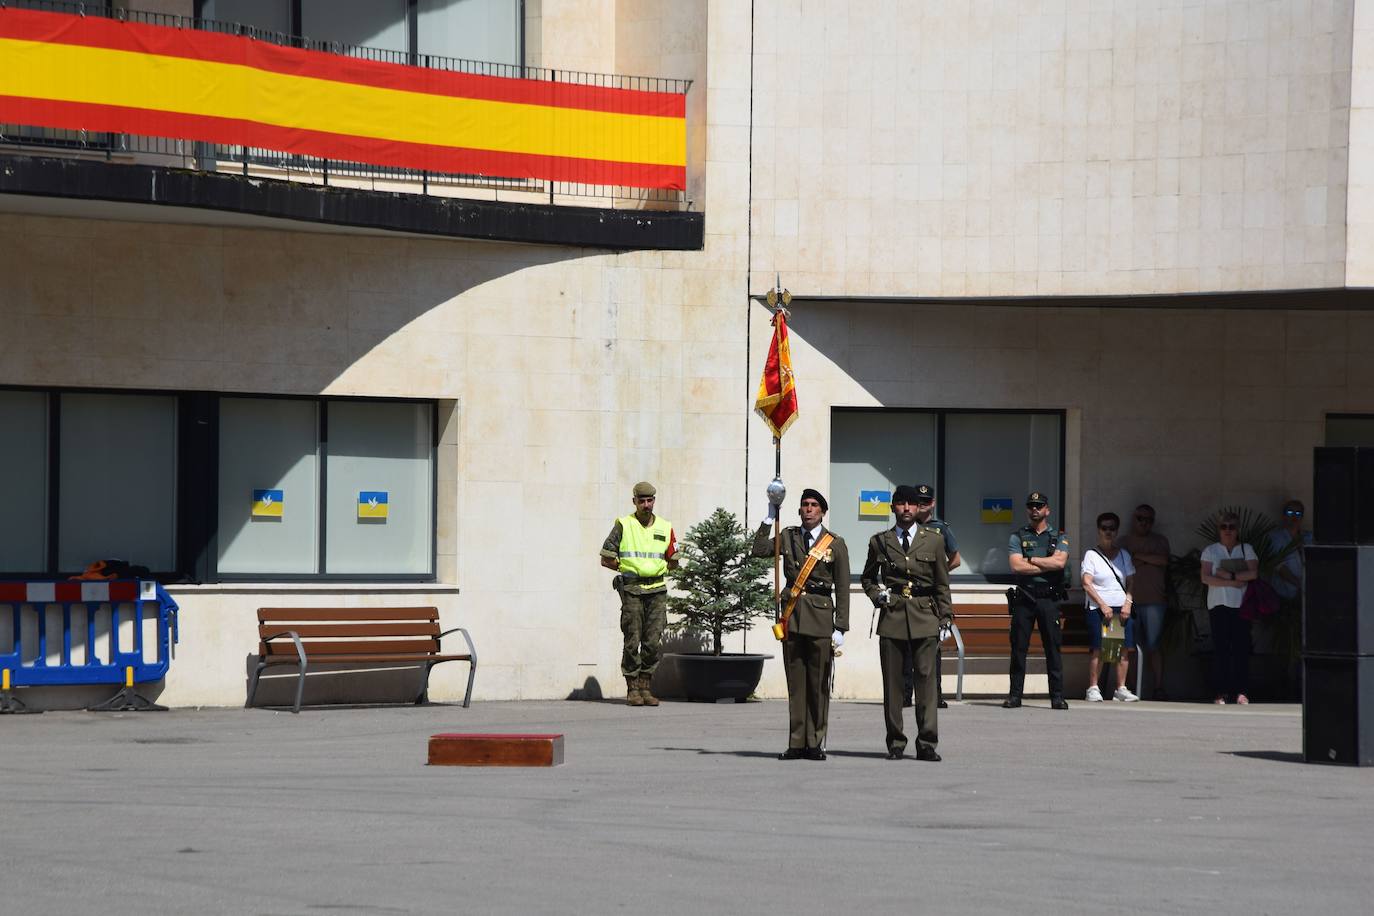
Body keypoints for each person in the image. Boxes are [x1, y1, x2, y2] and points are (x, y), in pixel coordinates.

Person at [752, 487, 849, 761]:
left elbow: (842, 587)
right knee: (796, 684)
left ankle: (815, 742)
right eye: (805, 505)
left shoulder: (834, 543)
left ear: (822, 512)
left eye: (814, 505)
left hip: (820, 618)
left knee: (818, 684)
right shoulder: (788, 535)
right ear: (798, 510)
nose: (808, 509)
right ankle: (796, 742)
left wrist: (840, 627)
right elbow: (758, 549)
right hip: (792, 617)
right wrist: (770, 517)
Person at [861, 484, 953, 761]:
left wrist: (946, 616)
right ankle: (896, 743)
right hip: (893, 616)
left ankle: (926, 743)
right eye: (900, 504)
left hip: (925, 615)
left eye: (911, 504)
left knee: (926, 682)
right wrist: (878, 595)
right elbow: (867, 578)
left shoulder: (934, 540)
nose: (906, 509)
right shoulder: (881, 541)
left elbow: (941, 582)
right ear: (893, 508)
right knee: (893, 685)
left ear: (919, 508)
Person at [599, 481, 677, 707]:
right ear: (634, 501)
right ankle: (633, 688)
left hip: (657, 590)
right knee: (632, 640)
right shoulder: (624, 525)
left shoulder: (664, 526)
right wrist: (629, 569)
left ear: (654, 501)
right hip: (632, 590)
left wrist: (654, 570)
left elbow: (674, 561)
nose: (646, 504)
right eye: (641, 500)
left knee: (652, 641)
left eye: (649, 500)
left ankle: (646, 686)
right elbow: (606, 557)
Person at [1005, 491, 1070, 710]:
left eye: (1039, 506)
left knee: (1052, 647)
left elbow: (1060, 563)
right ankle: (1015, 696)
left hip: (1049, 598)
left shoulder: (1059, 537)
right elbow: (1016, 566)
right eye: (1031, 506)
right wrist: (1045, 563)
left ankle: (1057, 696)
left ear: (1047, 510)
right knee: (1018, 648)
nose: (1035, 509)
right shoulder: (1018, 536)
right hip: (1025, 597)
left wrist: (1031, 559)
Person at [900, 484, 961, 709]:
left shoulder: (940, 529)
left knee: (931, 648)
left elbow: (955, 559)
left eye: (926, 501)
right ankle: (906, 694)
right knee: (905, 646)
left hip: (930, 596)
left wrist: (938, 574)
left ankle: (935, 694)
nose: (922, 505)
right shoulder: (905, 527)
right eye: (919, 501)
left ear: (932, 504)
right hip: (909, 594)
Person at [1199, 510, 1259, 704]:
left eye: (1231, 527)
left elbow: (1253, 573)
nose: (1227, 530)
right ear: (1218, 529)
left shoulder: (1246, 549)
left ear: (1238, 529)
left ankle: (1242, 691)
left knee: (1241, 649)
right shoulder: (1211, 550)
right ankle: (1221, 692)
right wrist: (1232, 582)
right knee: (1221, 649)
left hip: (1241, 606)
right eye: (1224, 526)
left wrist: (1229, 576)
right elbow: (1206, 577)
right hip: (1218, 605)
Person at [1080, 512, 1138, 702]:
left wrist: (1128, 602)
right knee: (1100, 648)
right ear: (1098, 530)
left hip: (1120, 607)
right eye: (1104, 528)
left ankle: (1120, 688)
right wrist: (1103, 605)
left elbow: (1131, 580)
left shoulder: (1123, 554)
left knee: (1121, 649)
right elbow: (1086, 582)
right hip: (1099, 608)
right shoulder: (1091, 555)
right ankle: (1093, 688)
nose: (1108, 532)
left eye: (1112, 528)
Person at [1117, 503, 1171, 699]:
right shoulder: (1123, 542)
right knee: (1130, 646)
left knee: (1154, 646)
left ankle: (1158, 688)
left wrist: (1139, 556)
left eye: (1148, 520)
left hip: (1155, 601)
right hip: (1128, 602)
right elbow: (1123, 565)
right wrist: (1149, 559)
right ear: (1133, 519)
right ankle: (1129, 688)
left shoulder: (1159, 541)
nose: (1144, 523)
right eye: (1140, 518)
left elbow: (1163, 560)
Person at [1268, 499, 1312, 607]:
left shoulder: (1308, 537)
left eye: (1298, 513)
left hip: (1309, 590)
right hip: (1285, 592)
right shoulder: (1276, 537)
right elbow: (1279, 566)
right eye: (1290, 512)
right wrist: (1300, 585)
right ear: (1284, 516)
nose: (1294, 516)